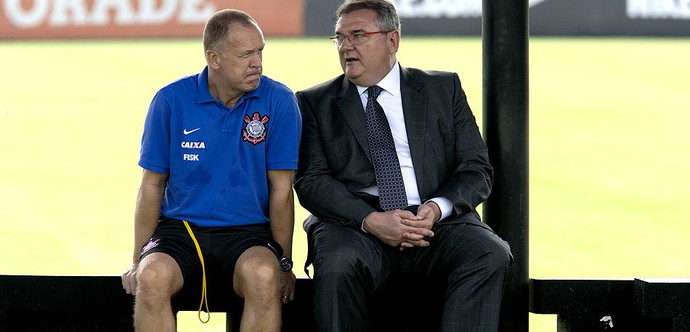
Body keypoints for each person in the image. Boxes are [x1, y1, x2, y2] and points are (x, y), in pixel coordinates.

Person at [294, 0, 513, 331]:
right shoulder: (314, 102)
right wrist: (371, 220)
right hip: (355, 225)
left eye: (357, 35)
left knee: (489, 252)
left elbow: (476, 168)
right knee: (337, 263)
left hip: (435, 222)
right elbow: (311, 181)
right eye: (339, 38)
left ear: (392, 40)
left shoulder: (443, 88)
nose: (345, 46)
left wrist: (436, 209)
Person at [120, 9, 301, 331]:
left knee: (264, 275)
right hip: (181, 230)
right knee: (152, 275)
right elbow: (151, 184)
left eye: (260, 51)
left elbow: (282, 189)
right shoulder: (171, 100)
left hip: (249, 233)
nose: (257, 62)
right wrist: (138, 259)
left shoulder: (279, 100)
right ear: (214, 58)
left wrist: (284, 263)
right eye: (245, 54)